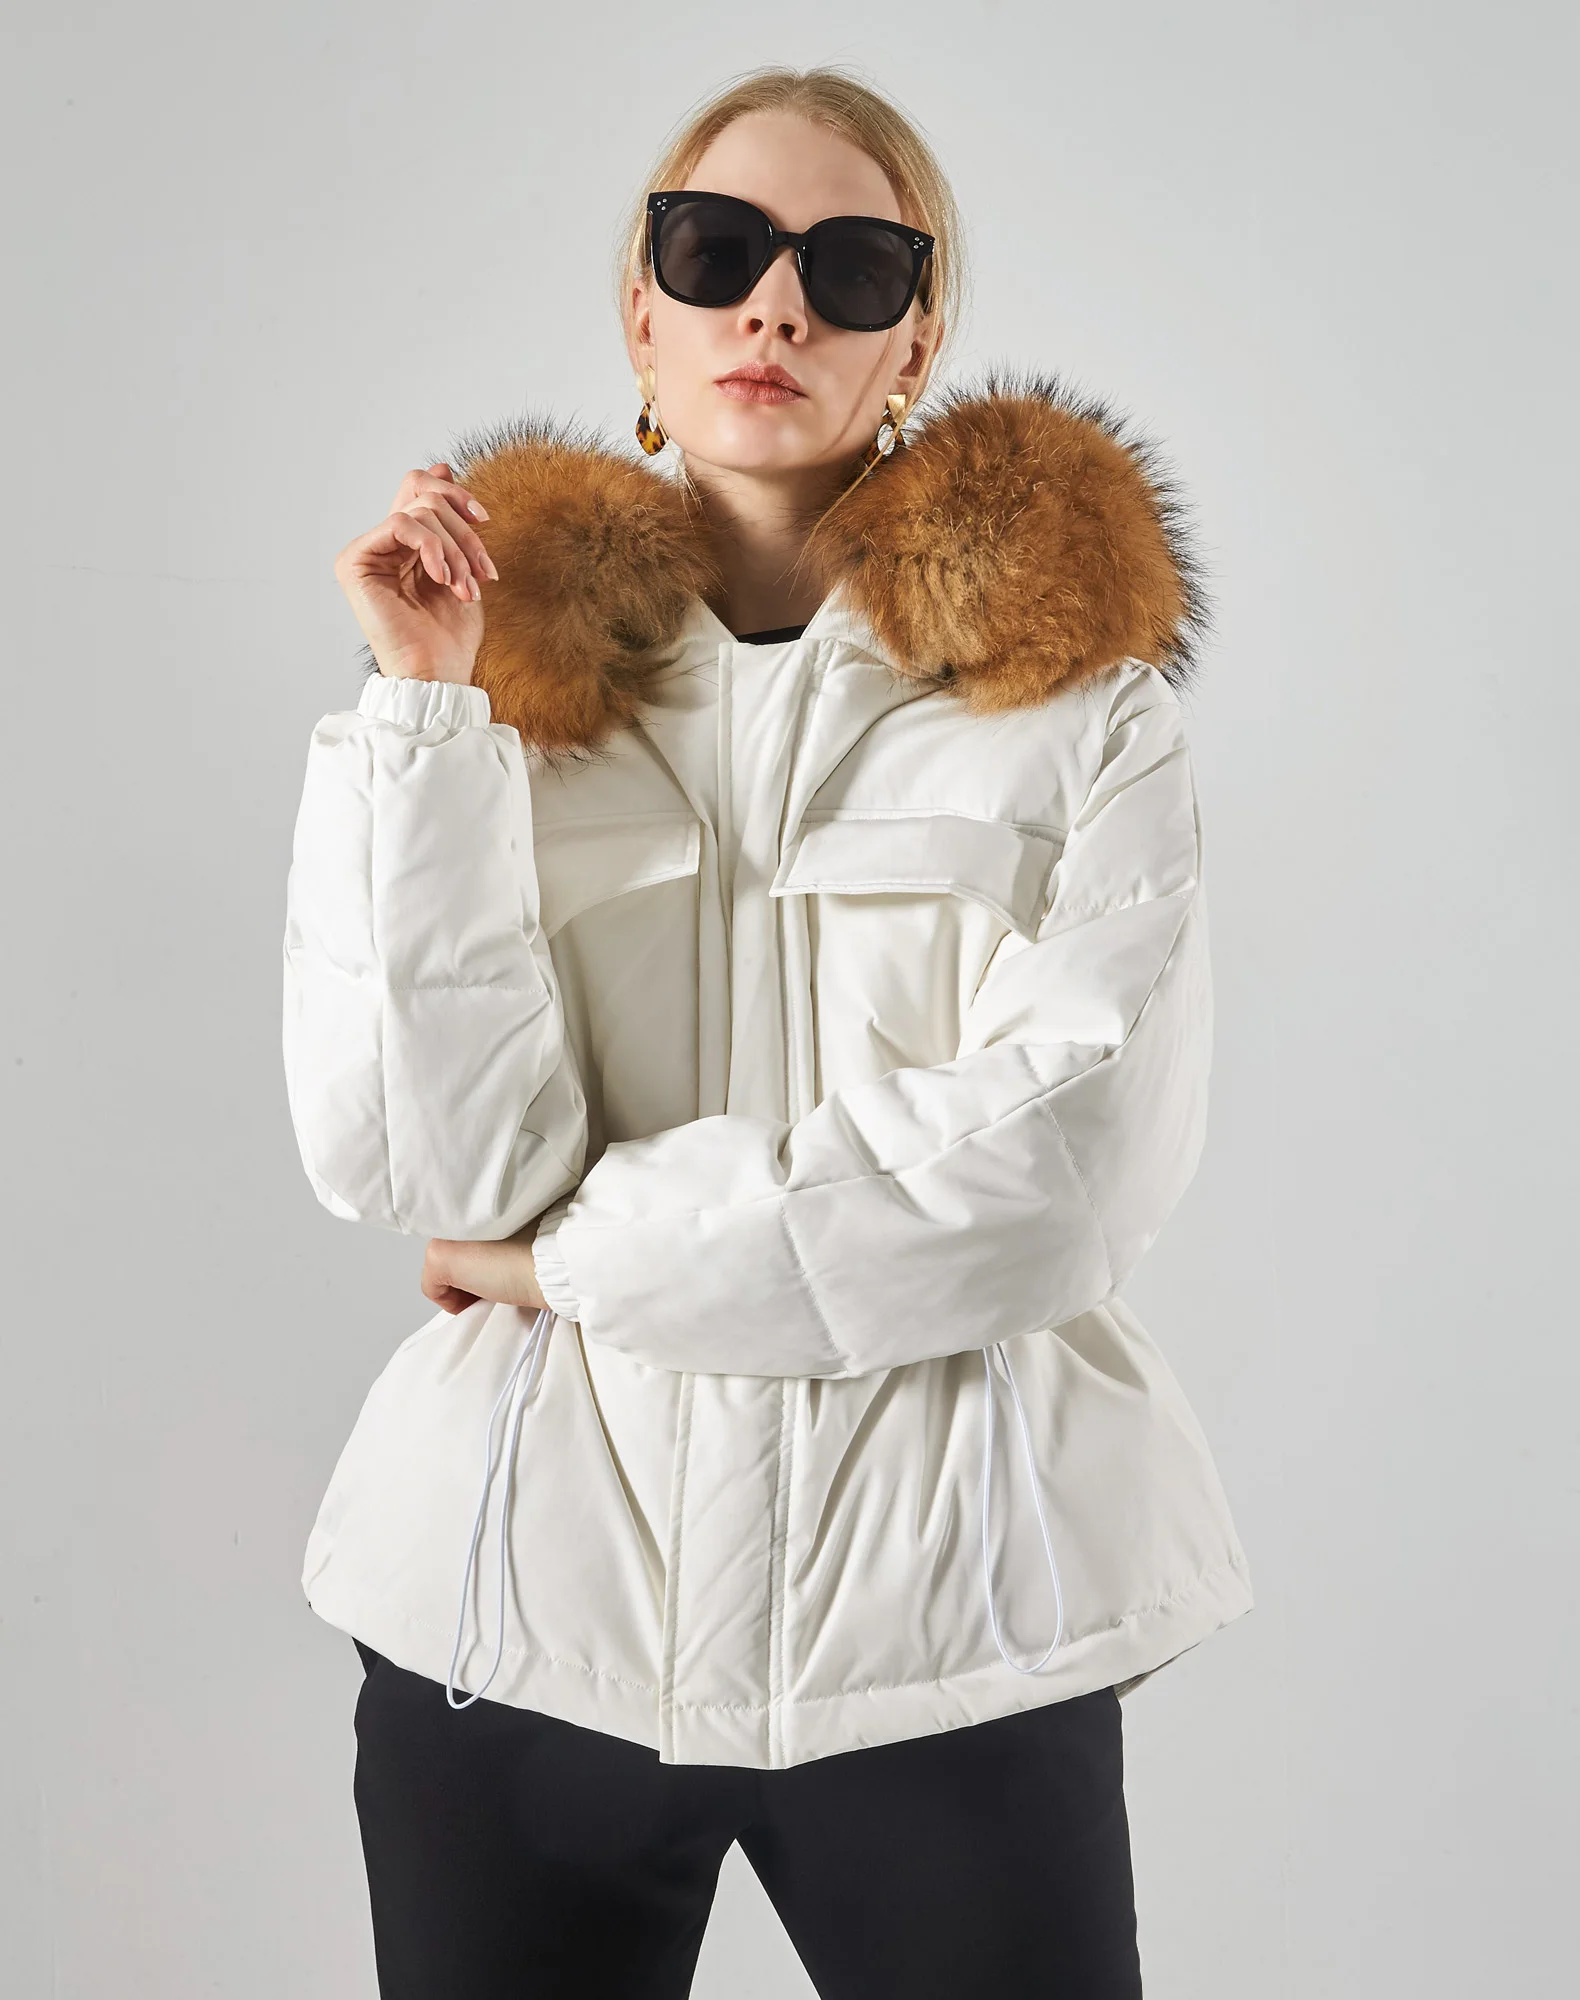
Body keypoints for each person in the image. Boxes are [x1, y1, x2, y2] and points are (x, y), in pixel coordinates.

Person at [281, 63, 1253, 2000]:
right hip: (516, 1623)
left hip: (952, 1642)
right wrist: (428, 715)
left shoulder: (1085, 716)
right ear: (640, 310)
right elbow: (416, 1166)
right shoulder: (478, 707)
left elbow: (1057, 1176)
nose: (777, 306)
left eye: (851, 264)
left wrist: (561, 1262)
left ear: (918, 341)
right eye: (715, 249)